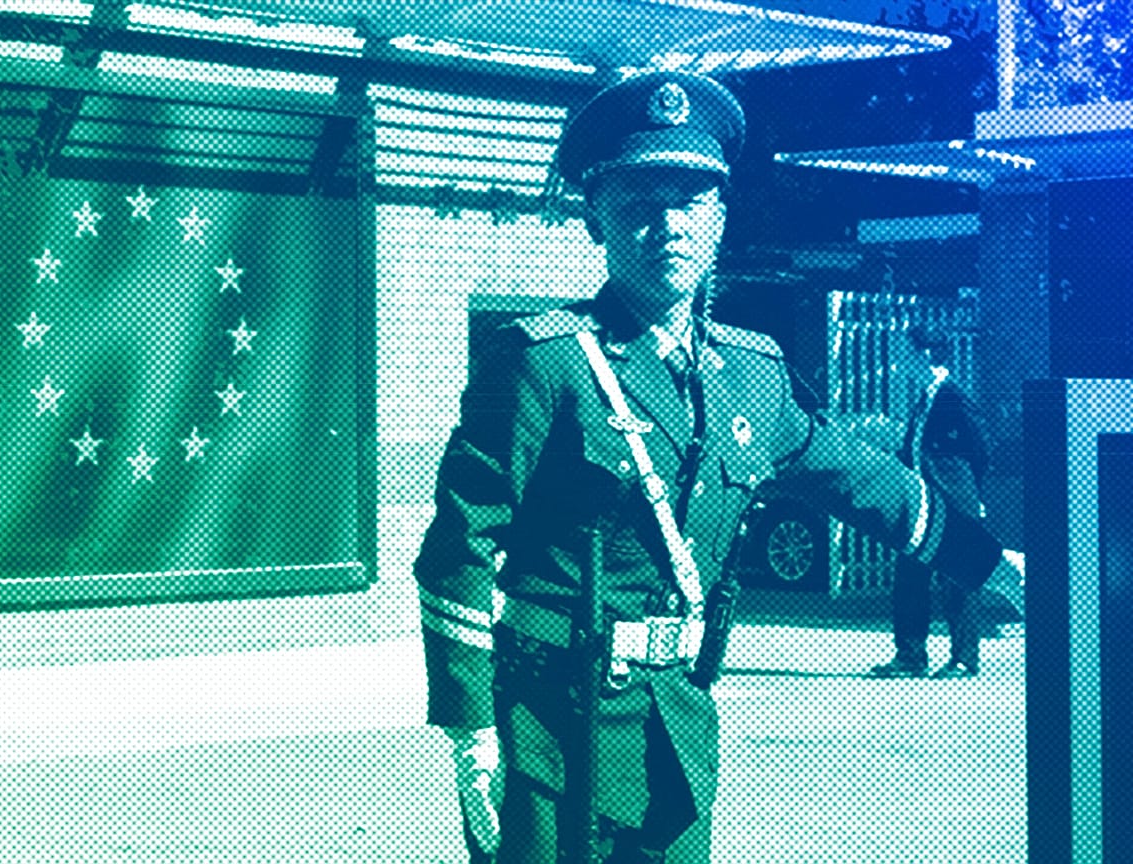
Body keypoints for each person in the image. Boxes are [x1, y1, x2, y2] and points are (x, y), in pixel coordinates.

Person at [414, 70, 1024, 864]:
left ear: (720, 219)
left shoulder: (751, 375)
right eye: (638, 203)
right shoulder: (543, 364)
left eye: (690, 201)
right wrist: (473, 730)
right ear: (596, 220)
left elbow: (861, 480)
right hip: (554, 731)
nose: (667, 224)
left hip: (677, 722)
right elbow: (457, 549)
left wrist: (998, 567)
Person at [865, 326, 996, 679]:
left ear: (923, 353)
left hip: (954, 504)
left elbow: (982, 448)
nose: (898, 359)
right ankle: (910, 656)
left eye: (904, 350)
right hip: (924, 504)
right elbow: (917, 450)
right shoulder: (925, 398)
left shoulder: (953, 396)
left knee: (957, 579)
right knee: (909, 576)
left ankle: (965, 659)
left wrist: (971, 496)